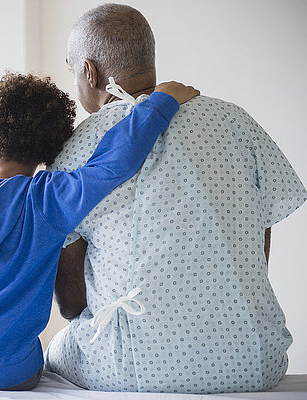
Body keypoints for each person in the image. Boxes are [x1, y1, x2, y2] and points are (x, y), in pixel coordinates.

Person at [44, 3, 307, 394]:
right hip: (255, 361)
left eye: (72, 70)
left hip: (128, 367)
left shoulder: (76, 147)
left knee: (54, 350)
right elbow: (258, 241)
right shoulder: (236, 120)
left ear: (89, 71)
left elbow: (71, 302)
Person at [0, 71, 198, 390]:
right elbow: (112, 163)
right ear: (46, 152)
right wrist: (163, 101)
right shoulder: (47, 199)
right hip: (10, 374)